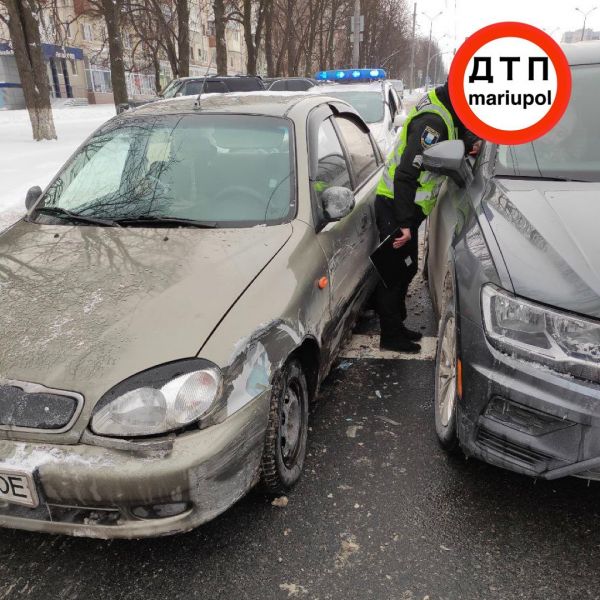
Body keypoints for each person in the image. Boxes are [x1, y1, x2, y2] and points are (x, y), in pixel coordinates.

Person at [374, 81, 481, 353]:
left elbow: (457, 127)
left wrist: (469, 142)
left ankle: (397, 324)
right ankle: (390, 335)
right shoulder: (432, 124)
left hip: (404, 206)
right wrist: (404, 224)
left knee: (406, 267)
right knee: (394, 273)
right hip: (395, 204)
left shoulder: (446, 106)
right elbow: (405, 175)